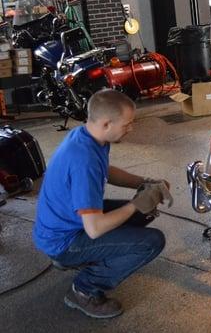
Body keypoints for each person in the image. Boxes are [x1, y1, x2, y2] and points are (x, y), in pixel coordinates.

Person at [33, 89, 172, 319]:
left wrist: (145, 183)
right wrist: (136, 203)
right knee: (152, 241)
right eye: (127, 124)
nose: (131, 128)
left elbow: (105, 171)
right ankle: (84, 290)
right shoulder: (83, 161)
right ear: (107, 123)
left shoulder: (88, 137)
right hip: (64, 241)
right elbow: (94, 228)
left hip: (67, 222)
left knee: (142, 214)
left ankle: (92, 259)